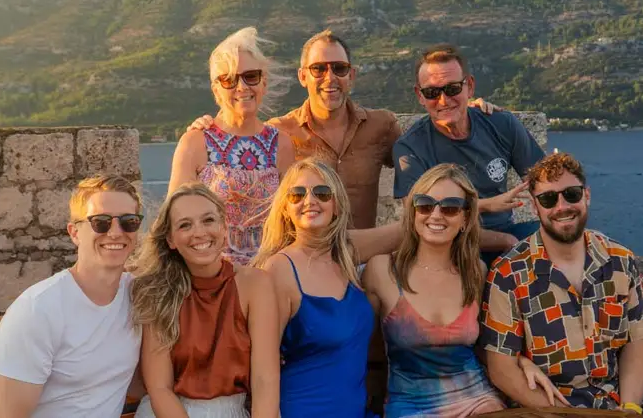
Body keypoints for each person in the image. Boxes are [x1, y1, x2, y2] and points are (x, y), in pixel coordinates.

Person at [188, 29, 503, 229]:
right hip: (311, 259)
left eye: (338, 68)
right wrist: (207, 125)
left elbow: (430, 162)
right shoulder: (279, 134)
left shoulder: (382, 125)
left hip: (366, 257)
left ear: (351, 75)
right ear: (303, 76)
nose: (329, 78)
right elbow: (238, 140)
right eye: (318, 69)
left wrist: (461, 107)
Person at [479, 152, 643, 417]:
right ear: (535, 207)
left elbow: (636, 342)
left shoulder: (619, 261)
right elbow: (502, 369)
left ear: (586, 195)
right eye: (548, 198)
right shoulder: (510, 273)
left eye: (572, 194)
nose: (562, 206)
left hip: (619, 395)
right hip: (552, 404)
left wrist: (631, 409)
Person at [252, 158, 405, 418]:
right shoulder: (280, 269)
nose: (309, 200)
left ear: (336, 205)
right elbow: (262, 372)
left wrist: (472, 209)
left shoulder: (346, 255)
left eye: (322, 193)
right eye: (297, 194)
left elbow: (413, 229)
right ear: (285, 209)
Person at [363, 163, 518, 418]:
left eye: (450, 208)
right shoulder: (382, 271)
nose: (436, 215)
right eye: (425, 204)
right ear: (413, 212)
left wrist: (520, 363)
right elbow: (359, 345)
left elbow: (486, 346)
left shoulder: (475, 271)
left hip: (479, 402)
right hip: (411, 407)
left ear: (465, 217)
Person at [0, 175, 145, 417]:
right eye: (101, 222)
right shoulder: (37, 310)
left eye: (129, 222)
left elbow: (137, 383)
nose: (116, 232)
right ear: (74, 232)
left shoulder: (138, 297)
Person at [131, 183, 280, 418]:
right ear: (171, 239)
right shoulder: (157, 292)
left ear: (224, 227)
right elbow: (160, 388)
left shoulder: (255, 284)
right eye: (185, 225)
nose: (199, 232)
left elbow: (265, 379)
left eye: (208, 220)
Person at [393, 44, 546, 256]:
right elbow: (417, 214)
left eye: (453, 89)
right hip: (451, 241)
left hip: (505, 230)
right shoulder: (410, 148)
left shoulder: (501, 124)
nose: (443, 100)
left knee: (559, 238)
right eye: (432, 92)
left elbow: (544, 179)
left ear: (470, 86)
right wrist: (485, 206)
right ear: (420, 96)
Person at [169, 26, 295, 265]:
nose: (241, 87)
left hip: (267, 274)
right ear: (216, 89)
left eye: (251, 76)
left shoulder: (281, 144)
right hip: (213, 274)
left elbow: (290, 220)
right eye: (228, 79)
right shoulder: (196, 142)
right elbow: (175, 217)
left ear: (263, 83)